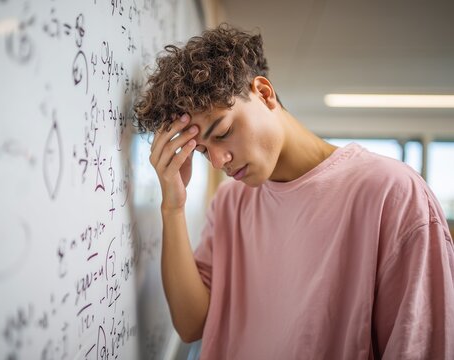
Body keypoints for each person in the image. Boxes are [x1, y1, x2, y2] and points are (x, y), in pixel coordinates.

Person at [133, 23, 454, 359]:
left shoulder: (392, 193)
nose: (218, 161)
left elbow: (420, 346)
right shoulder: (230, 204)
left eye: (224, 131)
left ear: (264, 93)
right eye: (202, 151)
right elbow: (191, 324)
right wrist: (173, 207)